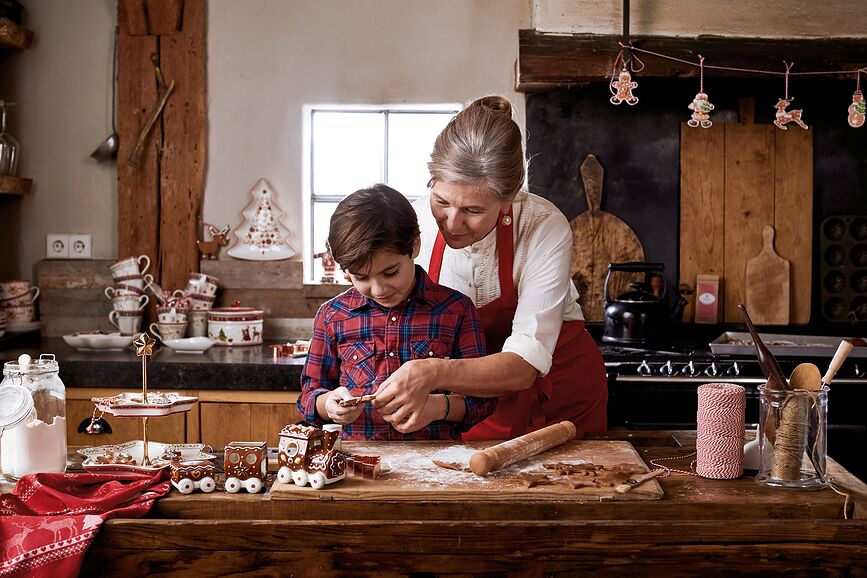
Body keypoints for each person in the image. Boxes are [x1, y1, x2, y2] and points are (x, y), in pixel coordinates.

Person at [374, 96, 608, 440]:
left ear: (509, 199)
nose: (452, 222)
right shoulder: (415, 220)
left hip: (559, 395)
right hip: (468, 404)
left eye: (473, 210)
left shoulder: (544, 225)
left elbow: (525, 365)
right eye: (441, 201)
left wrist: (432, 373)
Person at [297, 184, 496, 440]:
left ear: (414, 246)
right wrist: (329, 405)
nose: (379, 289)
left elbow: (483, 402)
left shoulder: (457, 310)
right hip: (358, 460)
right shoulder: (332, 316)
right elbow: (308, 396)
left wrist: (437, 408)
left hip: (435, 461)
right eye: (361, 277)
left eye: (390, 272)